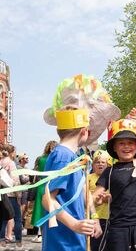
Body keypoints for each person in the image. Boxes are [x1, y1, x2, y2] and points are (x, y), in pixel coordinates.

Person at [94, 107, 136, 251]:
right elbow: (96, 196)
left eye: (130, 143)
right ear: (114, 147)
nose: (126, 147)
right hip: (118, 228)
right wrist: (98, 199)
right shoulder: (109, 171)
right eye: (121, 143)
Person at [41, 106, 102, 251]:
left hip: (72, 239)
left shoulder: (72, 157)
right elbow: (47, 198)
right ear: (84, 131)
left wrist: (94, 216)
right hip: (64, 242)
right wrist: (74, 224)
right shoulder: (63, 156)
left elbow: (83, 190)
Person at [31, 140, 57, 243]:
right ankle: (49, 236)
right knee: (52, 211)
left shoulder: (41, 159)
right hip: (51, 186)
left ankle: (41, 235)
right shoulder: (54, 159)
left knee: (40, 212)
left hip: (41, 185)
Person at [88, 150, 111, 251]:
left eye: (103, 162)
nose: (100, 164)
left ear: (108, 164)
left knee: (105, 245)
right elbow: (84, 197)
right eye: (97, 162)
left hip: (107, 218)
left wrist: (108, 198)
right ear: (93, 165)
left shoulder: (111, 178)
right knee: (93, 245)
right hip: (92, 218)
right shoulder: (88, 178)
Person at [0, 146, 20, 248]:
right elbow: (14, 180)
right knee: (13, 216)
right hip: (9, 194)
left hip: (2, 193)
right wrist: (18, 194)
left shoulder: (1, 162)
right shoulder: (11, 163)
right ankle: (11, 238)